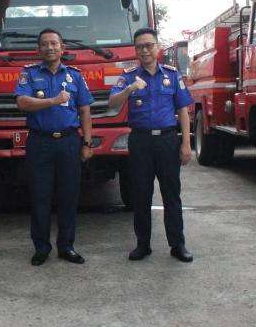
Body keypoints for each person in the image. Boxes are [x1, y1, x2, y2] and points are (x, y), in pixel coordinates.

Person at [108, 27, 194, 262]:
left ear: (158, 47)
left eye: (149, 45)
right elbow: (112, 103)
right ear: (135, 50)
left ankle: (178, 245)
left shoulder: (172, 75)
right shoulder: (128, 76)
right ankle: (143, 245)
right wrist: (129, 89)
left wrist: (186, 143)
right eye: (140, 47)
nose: (144, 50)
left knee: (171, 194)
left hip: (167, 140)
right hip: (141, 141)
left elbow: (183, 111)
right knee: (141, 194)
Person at [15, 28, 94, 266]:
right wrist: (53, 101)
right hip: (40, 142)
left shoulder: (76, 76)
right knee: (40, 196)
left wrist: (87, 142)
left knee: (69, 196)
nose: (50, 48)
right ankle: (41, 248)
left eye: (54, 44)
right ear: (38, 49)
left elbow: (85, 110)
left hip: (70, 141)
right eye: (45, 44)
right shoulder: (28, 74)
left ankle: (66, 246)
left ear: (62, 48)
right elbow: (22, 103)